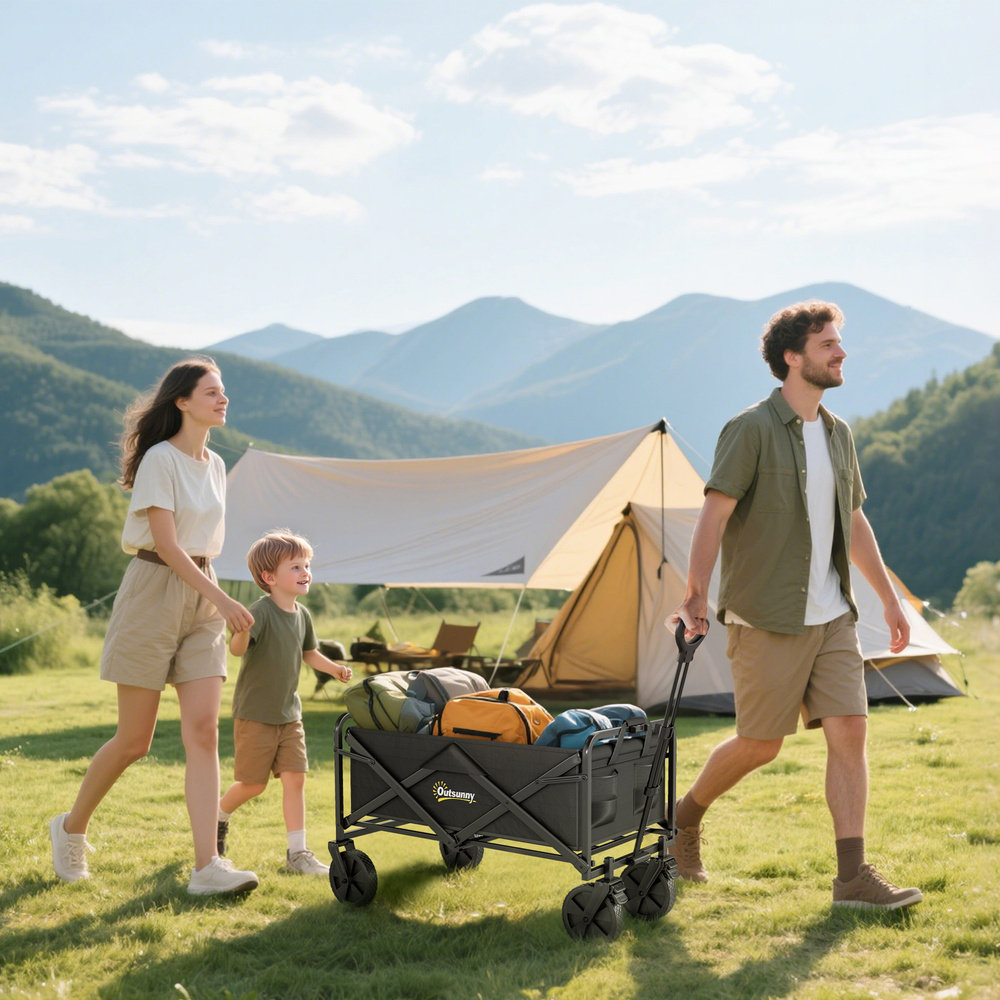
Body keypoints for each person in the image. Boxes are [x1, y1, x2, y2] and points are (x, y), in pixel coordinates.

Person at [666, 300, 923, 911]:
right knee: (760, 744)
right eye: (828, 343)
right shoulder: (751, 429)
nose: (840, 353)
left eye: (839, 343)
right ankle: (683, 820)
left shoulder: (839, 434)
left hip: (833, 616)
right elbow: (715, 512)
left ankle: (852, 879)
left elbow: (853, 520)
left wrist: (888, 600)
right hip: (767, 617)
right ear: (792, 356)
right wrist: (695, 593)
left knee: (851, 731)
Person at [49, 357, 260, 896]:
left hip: (202, 597)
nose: (222, 399)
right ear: (183, 402)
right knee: (134, 740)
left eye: (223, 391)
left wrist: (214, 598)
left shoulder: (214, 464)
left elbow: (202, 544)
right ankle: (71, 828)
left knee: (204, 732)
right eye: (211, 392)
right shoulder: (160, 460)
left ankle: (206, 866)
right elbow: (166, 545)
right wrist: (224, 599)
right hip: (154, 590)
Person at [217, 531, 352, 875]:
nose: (306, 571)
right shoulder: (258, 612)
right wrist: (242, 631)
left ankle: (297, 854)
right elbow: (237, 650)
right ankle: (217, 817)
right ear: (269, 577)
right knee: (254, 785)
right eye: (296, 566)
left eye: (307, 565)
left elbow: (309, 653)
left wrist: (334, 668)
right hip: (256, 715)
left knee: (296, 779)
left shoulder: (302, 615)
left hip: (290, 716)